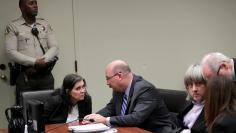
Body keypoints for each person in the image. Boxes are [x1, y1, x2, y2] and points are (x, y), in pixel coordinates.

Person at [83, 60, 175, 133]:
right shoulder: (119, 89)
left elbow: (136, 118)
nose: (107, 83)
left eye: (108, 78)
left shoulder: (145, 89)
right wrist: (93, 117)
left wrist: (105, 120)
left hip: (152, 130)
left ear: (119, 75)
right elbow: (111, 108)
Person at [4, 0, 59, 105]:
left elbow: (55, 47)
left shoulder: (44, 24)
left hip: (45, 75)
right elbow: (11, 52)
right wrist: (34, 62)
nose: (35, 6)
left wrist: (43, 61)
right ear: (22, 7)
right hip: (26, 77)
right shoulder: (13, 26)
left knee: (49, 110)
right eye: (31, 3)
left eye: (36, 3)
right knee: (25, 111)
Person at [177, 64, 207, 133]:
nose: (194, 89)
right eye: (190, 85)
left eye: (198, 84)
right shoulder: (189, 105)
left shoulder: (214, 110)